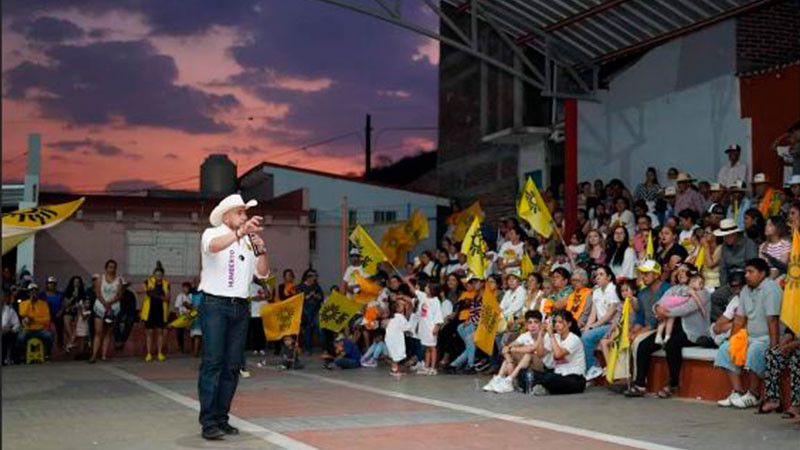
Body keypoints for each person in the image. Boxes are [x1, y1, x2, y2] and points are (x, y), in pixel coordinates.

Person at [196, 193, 270, 440]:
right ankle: (208, 422)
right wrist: (240, 233)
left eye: (245, 213)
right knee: (213, 363)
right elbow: (214, 247)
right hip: (214, 304)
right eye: (240, 213)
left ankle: (221, 418)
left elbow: (264, 273)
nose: (244, 217)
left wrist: (262, 251)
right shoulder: (212, 233)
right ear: (226, 215)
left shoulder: (248, 241)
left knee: (232, 365)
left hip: (240, 307)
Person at [626, 263, 711, 399]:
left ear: (692, 274)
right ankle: (640, 384)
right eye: (679, 271)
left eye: (684, 271)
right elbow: (658, 304)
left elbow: (686, 308)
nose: (680, 274)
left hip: (691, 331)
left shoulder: (702, 292)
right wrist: (657, 309)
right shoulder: (674, 289)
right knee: (644, 345)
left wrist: (664, 312)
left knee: (672, 343)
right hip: (670, 327)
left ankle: (673, 384)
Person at [715, 258, 782, 409]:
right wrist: (732, 341)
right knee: (726, 349)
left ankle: (754, 394)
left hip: (767, 337)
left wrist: (774, 347)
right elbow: (739, 320)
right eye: (746, 271)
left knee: (755, 350)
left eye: (751, 272)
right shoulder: (745, 290)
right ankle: (738, 391)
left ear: (762, 273)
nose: (746, 275)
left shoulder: (771, 289)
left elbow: (773, 320)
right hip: (750, 336)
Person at [484, 310, 544, 393]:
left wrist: (513, 349)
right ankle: (499, 378)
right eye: (530, 323)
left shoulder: (545, 335)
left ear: (541, 324)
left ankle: (509, 380)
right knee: (509, 357)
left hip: (541, 367)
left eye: (536, 322)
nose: (533, 325)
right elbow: (508, 347)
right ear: (526, 325)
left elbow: (531, 349)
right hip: (526, 365)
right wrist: (509, 358)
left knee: (528, 354)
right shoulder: (525, 335)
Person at [531, 309, 586, 395]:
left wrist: (551, 335)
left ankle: (543, 388)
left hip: (574, 378)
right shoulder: (555, 336)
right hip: (558, 375)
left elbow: (558, 355)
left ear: (569, 324)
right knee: (531, 374)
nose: (557, 325)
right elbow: (540, 354)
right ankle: (545, 388)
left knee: (551, 379)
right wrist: (541, 334)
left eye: (560, 322)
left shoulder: (574, 339)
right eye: (555, 322)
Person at [581, 265, 620, 381]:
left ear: (609, 277)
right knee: (582, 333)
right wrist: (588, 326)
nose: (598, 277)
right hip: (601, 325)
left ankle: (594, 367)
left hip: (612, 325)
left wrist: (593, 326)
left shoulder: (613, 290)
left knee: (586, 337)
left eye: (601, 274)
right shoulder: (596, 291)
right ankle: (582, 370)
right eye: (596, 275)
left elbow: (610, 314)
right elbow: (593, 313)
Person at [654, 273, 707, 345]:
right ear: (692, 281)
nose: (701, 286)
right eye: (700, 284)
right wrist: (702, 309)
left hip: (668, 304)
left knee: (665, 320)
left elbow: (685, 308)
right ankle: (666, 336)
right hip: (672, 304)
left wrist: (661, 311)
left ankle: (660, 336)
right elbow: (697, 300)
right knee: (669, 319)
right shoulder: (689, 290)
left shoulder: (680, 288)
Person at [759, 330, 799, 418]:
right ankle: (773, 399)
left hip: (797, 348)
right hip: (794, 346)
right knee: (772, 355)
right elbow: (790, 331)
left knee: (797, 358)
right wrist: (783, 345)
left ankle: (796, 405)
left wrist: (791, 345)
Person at [90, 260, 123, 363]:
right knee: (98, 332)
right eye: (109, 267)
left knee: (108, 332)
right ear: (106, 268)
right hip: (100, 306)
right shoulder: (101, 279)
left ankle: (104, 355)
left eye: (113, 267)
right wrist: (104, 303)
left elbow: (119, 295)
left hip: (113, 307)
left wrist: (111, 303)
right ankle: (94, 355)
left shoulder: (119, 280)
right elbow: (97, 292)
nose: (111, 269)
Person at [715, 218, 758, 286]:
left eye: (728, 236)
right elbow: (723, 269)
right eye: (724, 236)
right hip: (730, 282)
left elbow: (752, 266)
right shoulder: (724, 246)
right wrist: (724, 285)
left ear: (735, 234)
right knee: (716, 296)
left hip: (745, 281)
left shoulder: (748, 243)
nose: (726, 239)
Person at [413, 278, 443, 375]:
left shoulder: (435, 301)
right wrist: (407, 281)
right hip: (424, 328)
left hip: (431, 328)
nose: (425, 288)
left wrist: (436, 327)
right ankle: (426, 366)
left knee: (432, 348)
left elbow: (438, 316)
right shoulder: (424, 297)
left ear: (432, 290)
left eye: (427, 287)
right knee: (426, 348)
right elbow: (414, 291)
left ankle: (433, 367)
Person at [141, 263, 170, 362]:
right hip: (150, 311)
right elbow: (146, 292)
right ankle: (149, 353)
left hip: (161, 310)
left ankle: (159, 353)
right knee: (149, 332)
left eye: (160, 275)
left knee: (160, 332)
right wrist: (156, 294)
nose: (159, 276)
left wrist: (154, 293)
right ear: (153, 274)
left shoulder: (166, 283)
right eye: (157, 274)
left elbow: (167, 298)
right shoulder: (147, 282)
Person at [16, 284, 53, 359]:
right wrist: (30, 303)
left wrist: (34, 320)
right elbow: (22, 314)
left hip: (40, 329)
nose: (34, 293)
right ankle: (22, 355)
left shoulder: (43, 304)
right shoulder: (23, 303)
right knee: (20, 338)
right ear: (28, 293)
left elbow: (47, 319)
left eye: (35, 291)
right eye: (31, 292)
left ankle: (47, 355)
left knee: (49, 336)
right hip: (27, 329)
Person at [297, 269, 325, 356]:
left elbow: (321, 298)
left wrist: (316, 296)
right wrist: (308, 296)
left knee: (319, 328)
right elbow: (298, 298)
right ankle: (308, 348)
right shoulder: (300, 286)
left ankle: (324, 348)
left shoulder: (317, 286)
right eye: (314, 276)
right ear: (308, 277)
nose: (315, 278)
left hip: (316, 311)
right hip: (305, 311)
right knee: (307, 329)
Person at [40, 276, 65, 350]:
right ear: (47, 284)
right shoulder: (42, 295)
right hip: (46, 315)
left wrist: (61, 311)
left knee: (60, 325)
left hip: (57, 314)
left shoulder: (59, 294)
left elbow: (63, 304)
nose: (51, 285)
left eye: (53, 284)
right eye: (50, 283)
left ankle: (60, 343)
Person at [62, 276, 85, 354]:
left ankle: (69, 345)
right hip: (68, 312)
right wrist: (73, 296)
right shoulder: (68, 292)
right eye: (75, 282)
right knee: (66, 322)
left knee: (77, 325)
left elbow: (84, 305)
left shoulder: (82, 293)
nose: (76, 284)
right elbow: (66, 305)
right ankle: (71, 342)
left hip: (78, 312)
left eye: (78, 282)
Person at [114, 280, 138, 351]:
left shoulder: (130, 294)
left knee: (130, 321)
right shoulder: (115, 294)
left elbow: (132, 307)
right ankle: (118, 339)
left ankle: (122, 340)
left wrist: (125, 314)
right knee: (115, 321)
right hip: (117, 312)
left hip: (128, 312)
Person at [174, 282, 194, 353]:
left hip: (189, 316)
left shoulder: (190, 296)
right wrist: (178, 317)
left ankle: (190, 347)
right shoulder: (180, 296)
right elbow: (176, 307)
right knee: (180, 333)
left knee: (189, 333)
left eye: (188, 288)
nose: (186, 289)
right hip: (182, 316)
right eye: (185, 288)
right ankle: (181, 347)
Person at [2, 290, 21, 364]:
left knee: (9, 336)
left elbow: (17, 324)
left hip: (6, 332)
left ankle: (5, 359)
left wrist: (10, 329)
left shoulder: (10, 310)